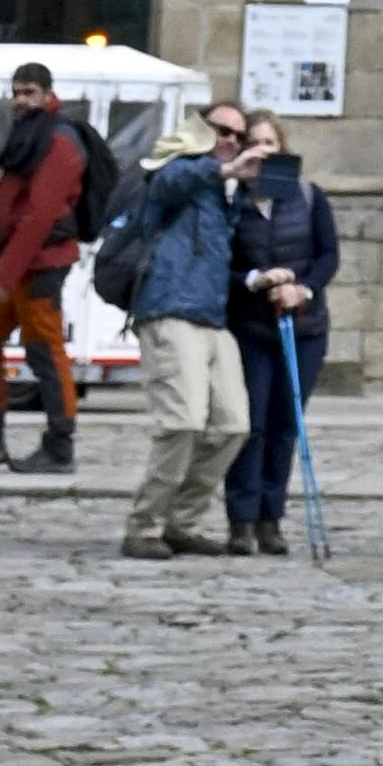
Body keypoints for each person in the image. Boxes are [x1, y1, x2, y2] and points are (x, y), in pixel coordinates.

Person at [104, 112, 246, 558]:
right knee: (181, 421)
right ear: (202, 133)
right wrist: (221, 168)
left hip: (211, 316)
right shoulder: (174, 168)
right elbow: (168, 184)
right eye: (222, 132)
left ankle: (181, 521)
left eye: (239, 137)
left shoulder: (229, 192)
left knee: (232, 425)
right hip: (168, 307)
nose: (231, 141)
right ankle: (144, 526)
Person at [0, 61, 96, 476]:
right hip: (18, 260)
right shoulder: (34, 135)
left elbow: (40, 214)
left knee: (43, 349)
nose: (21, 100)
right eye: (17, 92)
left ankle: (60, 445)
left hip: (41, 263)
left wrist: (5, 273)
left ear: (46, 93)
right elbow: (12, 206)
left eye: (29, 92)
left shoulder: (58, 141)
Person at [223, 106, 337, 556]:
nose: (263, 152)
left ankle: (271, 518)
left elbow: (328, 256)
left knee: (285, 424)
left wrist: (301, 288)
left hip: (304, 326)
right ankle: (241, 519)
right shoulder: (232, 203)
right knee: (251, 423)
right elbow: (224, 267)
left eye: (270, 143)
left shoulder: (308, 196)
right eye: (255, 143)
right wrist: (257, 280)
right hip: (252, 327)